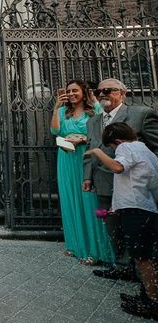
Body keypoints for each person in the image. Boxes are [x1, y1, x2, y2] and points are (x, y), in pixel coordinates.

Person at [83, 78, 158, 280]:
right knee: (113, 227)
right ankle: (122, 266)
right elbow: (92, 149)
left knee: (135, 227)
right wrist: (88, 177)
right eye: (98, 92)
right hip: (104, 182)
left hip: (134, 185)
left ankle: (142, 270)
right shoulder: (93, 121)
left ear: (123, 93)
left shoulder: (140, 114)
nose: (102, 95)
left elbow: (155, 146)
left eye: (108, 90)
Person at [85, 122, 158, 320]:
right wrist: (115, 209)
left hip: (136, 210)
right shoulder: (146, 150)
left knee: (143, 259)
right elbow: (134, 182)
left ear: (116, 141)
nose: (113, 151)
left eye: (112, 148)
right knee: (142, 256)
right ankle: (146, 297)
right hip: (145, 208)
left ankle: (153, 302)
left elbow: (118, 167)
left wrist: (97, 152)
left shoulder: (126, 147)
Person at [50, 80, 113, 265]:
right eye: (68, 91)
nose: (71, 94)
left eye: (75, 90)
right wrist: (56, 107)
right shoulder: (63, 111)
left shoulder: (93, 109)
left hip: (85, 157)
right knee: (70, 200)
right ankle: (75, 245)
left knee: (88, 202)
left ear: (83, 92)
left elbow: (103, 132)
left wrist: (84, 138)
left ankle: (96, 249)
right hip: (66, 159)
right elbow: (55, 130)